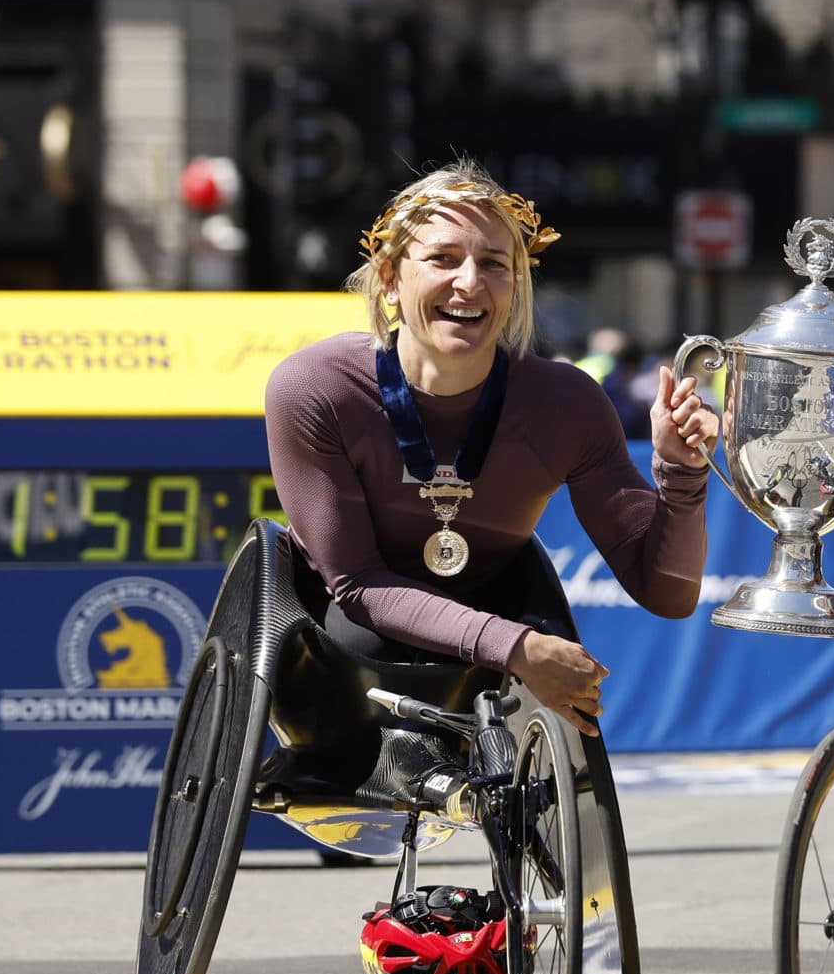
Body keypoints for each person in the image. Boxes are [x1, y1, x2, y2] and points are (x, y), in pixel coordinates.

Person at [264, 159, 719, 737]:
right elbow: (357, 585)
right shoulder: (316, 387)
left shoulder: (567, 403)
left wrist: (680, 474)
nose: (470, 282)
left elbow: (669, 595)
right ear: (388, 278)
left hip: (499, 610)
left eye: (494, 264)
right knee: (358, 638)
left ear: (516, 286)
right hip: (349, 634)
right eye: (443, 259)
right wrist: (518, 648)